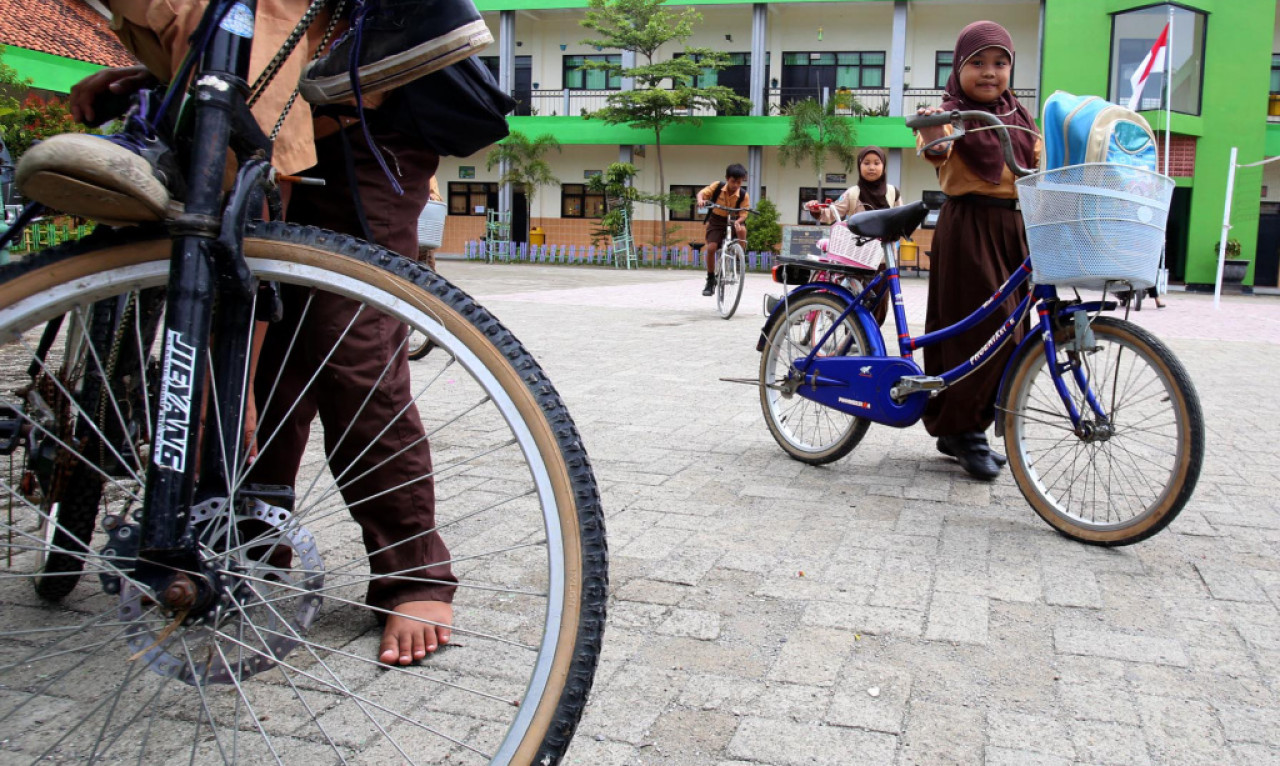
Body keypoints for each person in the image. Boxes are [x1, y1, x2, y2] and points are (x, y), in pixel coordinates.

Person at [21, 0, 485, 665]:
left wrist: (228, 388)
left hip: (367, 132)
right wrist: (153, 73)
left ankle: (414, 574)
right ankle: (247, 543)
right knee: (268, 368)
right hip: (278, 119)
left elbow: (262, 191)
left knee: (351, 355)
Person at [911, 20, 1042, 481]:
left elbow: (1040, 166)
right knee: (978, 332)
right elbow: (934, 149)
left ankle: (964, 427)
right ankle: (963, 430)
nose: (990, 72)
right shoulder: (950, 111)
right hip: (970, 227)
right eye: (978, 62)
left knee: (1015, 332)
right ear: (958, 67)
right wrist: (933, 127)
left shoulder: (1020, 116)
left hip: (1016, 228)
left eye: (1000, 62)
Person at [804, 145, 902, 324]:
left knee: (880, 303)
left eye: (876, 163)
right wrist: (817, 210)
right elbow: (832, 213)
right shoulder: (852, 193)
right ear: (859, 166)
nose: (871, 167)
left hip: (883, 258)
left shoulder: (893, 192)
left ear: (884, 166)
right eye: (866, 163)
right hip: (857, 258)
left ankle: (871, 333)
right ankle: (854, 333)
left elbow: (900, 218)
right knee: (855, 301)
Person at [696, 163, 750, 296]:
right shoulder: (717, 186)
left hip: (734, 219)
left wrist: (738, 221)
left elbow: (743, 214)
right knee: (711, 248)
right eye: (733, 181)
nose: (736, 185)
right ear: (727, 178)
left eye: (739, 182)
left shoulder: (743, 195)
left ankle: (740, 258)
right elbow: (702, 193)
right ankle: (710, 279)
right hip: (717, 220)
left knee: (742, 230)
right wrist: (701, 200)